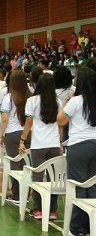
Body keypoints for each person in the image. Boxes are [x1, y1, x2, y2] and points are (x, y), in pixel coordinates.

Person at [57, 67, 96, 236]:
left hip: (79, 145)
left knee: (78, 186)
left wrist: (66, 103)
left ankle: (76, 228)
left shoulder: (76, 100)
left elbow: (61, 121)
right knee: (93, 186)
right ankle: (91, 225)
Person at [20, 73, 62, 220]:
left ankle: (38, 209)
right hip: (54, 144)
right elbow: (60, 125)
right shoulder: (57, 101)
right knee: (54, 178)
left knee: (37, 177)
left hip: (38, 145)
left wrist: (22, 139)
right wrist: (60, 143)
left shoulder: (32, 101)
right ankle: (52, 210)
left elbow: (29, 123)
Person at [0, 70, 32, 204]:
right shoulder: (31, 96)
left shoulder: (9, 98)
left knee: (15, 165)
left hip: (12, 134)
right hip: (27, 133)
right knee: (26, 165)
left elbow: (4, 119)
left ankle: (17, 195)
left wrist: (0, 135)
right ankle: (26, 195)